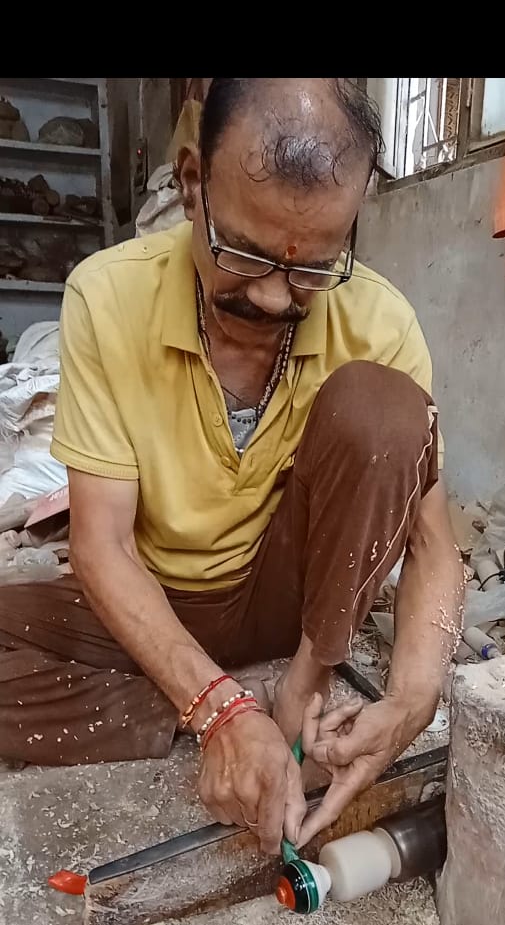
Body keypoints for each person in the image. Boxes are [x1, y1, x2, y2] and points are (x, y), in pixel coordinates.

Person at [0, 78, 463, 856]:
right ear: (191, 185)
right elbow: (101, 546)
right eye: (245, 254)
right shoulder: (108, 298)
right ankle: (227, 704)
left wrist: (412, 703)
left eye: (313, 269)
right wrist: (218, 707)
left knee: (385, 409)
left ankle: (301, 681)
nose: (276, 298)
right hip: (152, 601)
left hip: (289, 601)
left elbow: (433, 544)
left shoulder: (378, 320)